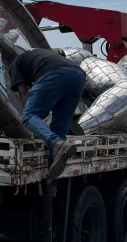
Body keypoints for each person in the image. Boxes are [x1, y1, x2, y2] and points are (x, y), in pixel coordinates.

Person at [8, 48, 86, 180]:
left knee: (28, 116)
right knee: (59, 128)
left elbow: (23, 92)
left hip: (55, 73)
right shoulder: (39, 57)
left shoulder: (14, 65)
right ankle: (51, 181)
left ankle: (56, 143)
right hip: (78, 76)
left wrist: (33, 123)